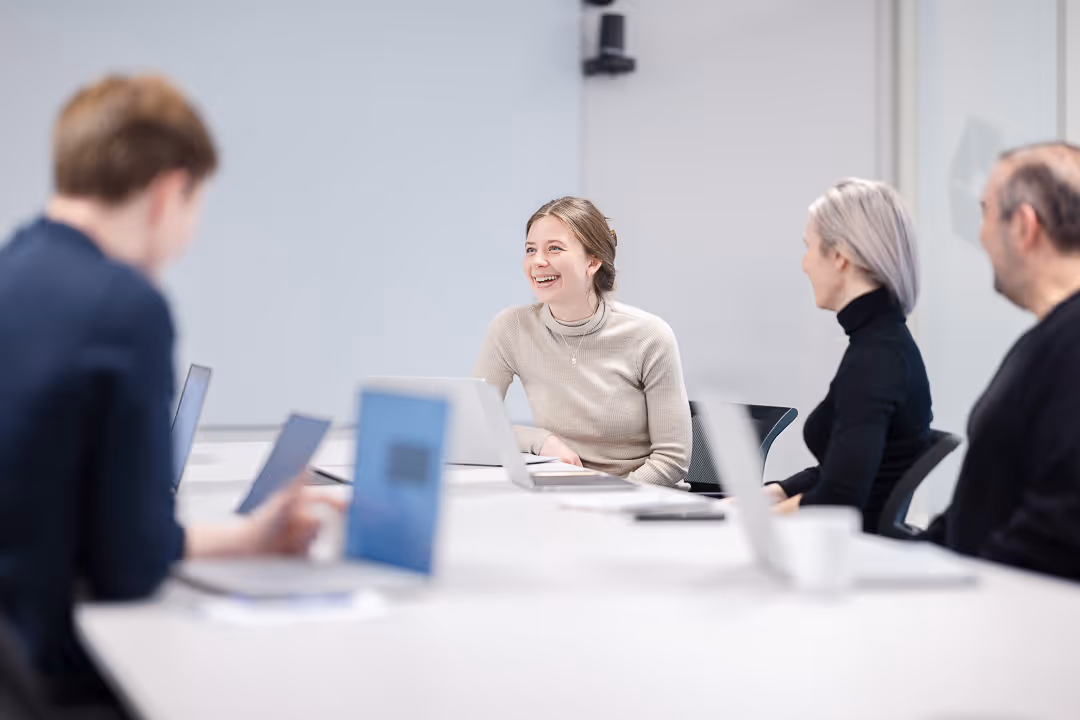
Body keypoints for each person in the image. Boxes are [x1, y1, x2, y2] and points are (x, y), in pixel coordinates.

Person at [0, 75, 333, 710]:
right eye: (195, 206)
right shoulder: (123, 307)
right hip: (56, 678)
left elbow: (88, 529)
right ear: (169, 191)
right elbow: (128, 567)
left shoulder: (11, 270)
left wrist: (242, 540)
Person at [924, 142, 1080, 581]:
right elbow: (985, 505)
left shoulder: (1070, 347)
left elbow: (1057, 535)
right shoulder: (1047, 341)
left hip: (1014, 623)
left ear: (1025, 226)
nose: (980, 234)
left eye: (986, 212)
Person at [473, 197, 691, 487]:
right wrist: (540, 440)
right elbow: (475, 423)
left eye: (555, 248)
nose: (538, 261)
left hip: (641, 500)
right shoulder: (511, 328)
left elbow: (672, 460)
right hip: (565, 492)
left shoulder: (649, 335)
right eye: (530, 249)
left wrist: (608, 496)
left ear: (593, 261)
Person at [765, 179, 932, 533]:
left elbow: (838, 498)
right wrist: (775, 493)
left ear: (839, 256)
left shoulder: (876, 359)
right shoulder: (880, 344)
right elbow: (842, 471)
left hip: (850, 558)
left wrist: (745, 521)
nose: (804, 264)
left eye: (808, 247)